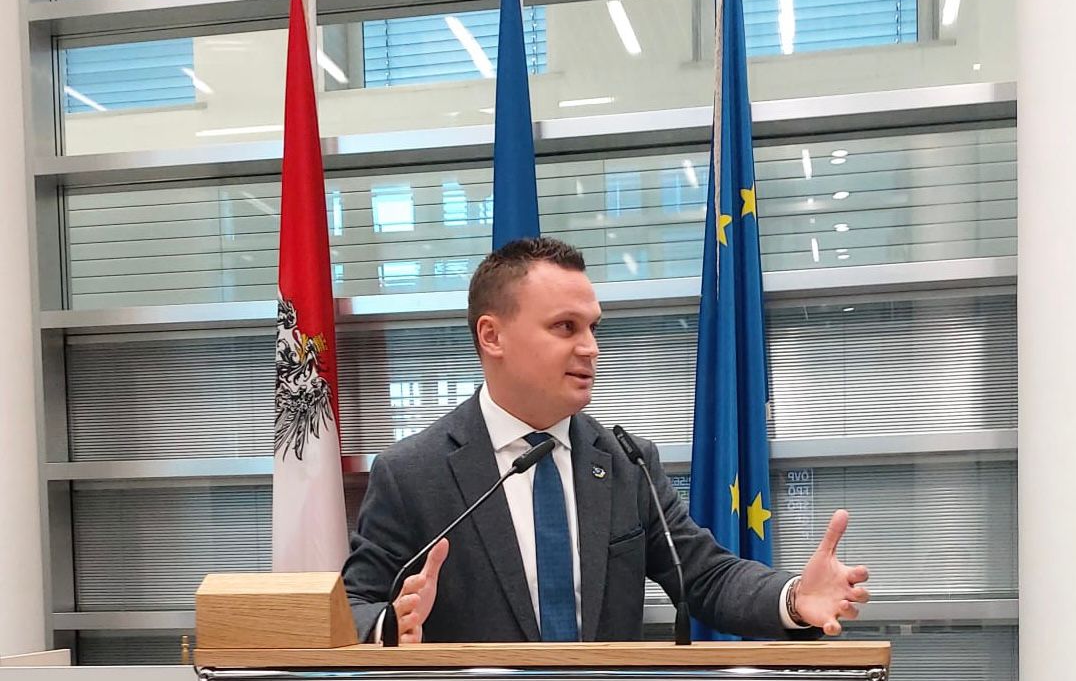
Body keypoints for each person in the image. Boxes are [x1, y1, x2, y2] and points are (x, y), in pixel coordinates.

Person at [343, 237, 870, 644]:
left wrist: (794, 598)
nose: (591, 348)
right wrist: (389, 624)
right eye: (565, 327)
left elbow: (706, 577)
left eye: (593, 328)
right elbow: (353, 603)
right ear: (492, 336)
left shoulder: (625, 462)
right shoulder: (414, 473)